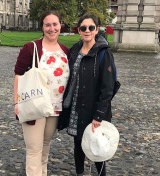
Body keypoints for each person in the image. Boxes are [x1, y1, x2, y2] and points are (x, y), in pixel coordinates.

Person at [58, 13, 116, 176]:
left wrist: (99, 114)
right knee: (78, 144)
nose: (87, 31)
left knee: (97, 147)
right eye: (83, 28)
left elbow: (108, 88)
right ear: (79, 30)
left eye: (91, 27)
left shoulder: (103, 53)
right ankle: (80, 173)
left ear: (97, 29)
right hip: (76, 106)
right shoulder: (75, 50)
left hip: (94, 109)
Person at [13, 11, 70, 176]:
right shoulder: (31, 48)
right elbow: (18, 75)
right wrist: (16, 102)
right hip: (34, 104)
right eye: (48, 25)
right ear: (42, 27)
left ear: (60, 26)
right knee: (34, 150)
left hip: (55, 107)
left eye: (55, 24)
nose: (52, 28)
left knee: (45, 146)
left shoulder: (65, 52)